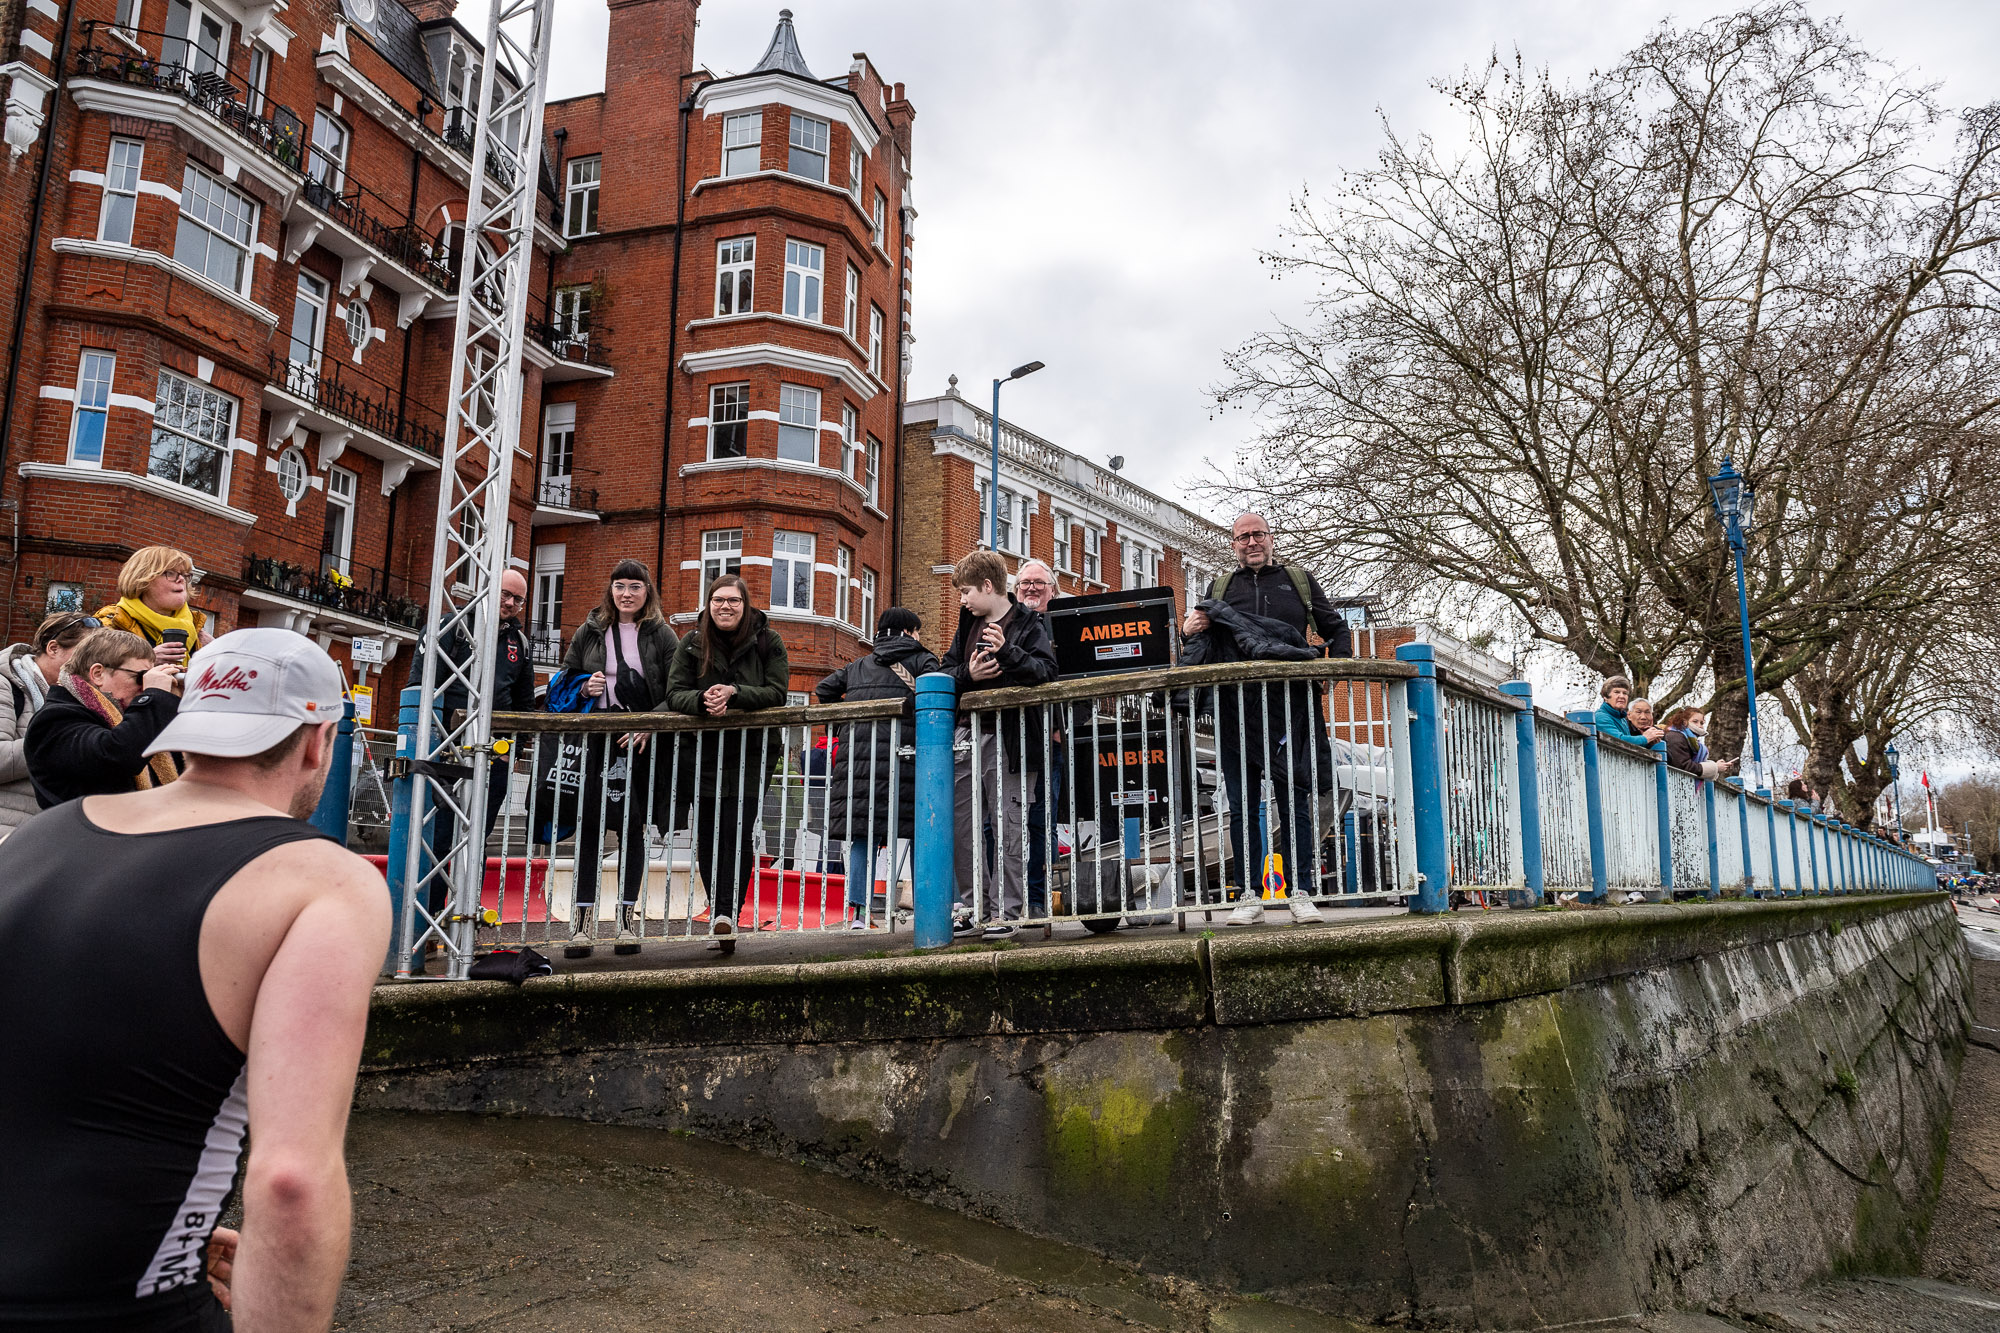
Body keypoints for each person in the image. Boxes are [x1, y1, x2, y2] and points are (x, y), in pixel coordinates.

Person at [0, 628, 388, 1330]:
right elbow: (291, 1180)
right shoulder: (321, 881)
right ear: (317, 742)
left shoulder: (36, 840)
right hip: (129, 1308)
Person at [1180, 513, 1348, 926]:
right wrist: (1187, 630)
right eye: (1243, 537)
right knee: (1241, 806)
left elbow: (1337, 630)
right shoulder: (1220, 589)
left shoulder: (1299, 582)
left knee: (1296, 802)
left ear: (1271, 539)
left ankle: (1301, 891)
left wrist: (1332, 672)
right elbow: (1202, 642)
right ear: (1233, 544)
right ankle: (1247, 896)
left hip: (1289, 709)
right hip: (1235, 710)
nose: (1251, 542)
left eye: (1258, 535)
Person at [555, 559, 679, 958]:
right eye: (620, 585)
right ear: (611, 590)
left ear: (648, 592)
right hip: (596, 739)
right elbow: (563, 681)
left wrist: (651, 724)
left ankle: (627, 921)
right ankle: (582, 923)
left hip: (640, 744)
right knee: (590, 827)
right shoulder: (589, 631)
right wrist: (583, 686)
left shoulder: (662, 635)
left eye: (635, 587)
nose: (626, 593)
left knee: (631, 830)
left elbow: (678, 690)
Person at [664, 574, 789, 955]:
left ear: (745, 604)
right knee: (707, 834)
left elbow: (778, 692)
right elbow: (674, 693)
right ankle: (720, 910)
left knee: (737, 831)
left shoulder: (769, 640)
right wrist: (703, 700)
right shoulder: (692, 642)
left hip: (753, 753)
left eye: (733, 601)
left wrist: (734, 694)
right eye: (718, 600)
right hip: (702, 753)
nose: (725, 607)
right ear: (709, 603)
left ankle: (727, 913)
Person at [941, 549, 1058, 938]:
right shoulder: (966, 621)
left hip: (1011, 738)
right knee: (963, 826)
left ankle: (1007, 911)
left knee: (1010, 827)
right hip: (966, 734)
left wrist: (1007, 651)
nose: (962, 600)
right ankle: (974, 907)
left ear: (988, 587)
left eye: (966, 592)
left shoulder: (1028, 622)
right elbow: (946, 671)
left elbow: (1045, 673)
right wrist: (968, 673)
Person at [814, 607, 941, 929]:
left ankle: (859, 913)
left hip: (858, 766)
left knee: (863, 835)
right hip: (909, 759)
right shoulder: (923, 661)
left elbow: (824, 690)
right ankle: (928, 907)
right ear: (911, 632)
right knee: (921, 831)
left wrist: (846, 720)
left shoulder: (858, 665)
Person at [25, 627, 182, 807]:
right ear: (98, 674)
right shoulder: (54, 719)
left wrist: (177, 703)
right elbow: (117, 756)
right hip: (82, 833)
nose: (144, 686)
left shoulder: (128, 717)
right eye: (141, 677)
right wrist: (154, 697)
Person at [0, 612, 101, 834]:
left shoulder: (82, 697)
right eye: (84, 655)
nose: (91, 667)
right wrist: (59, 740)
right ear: (53, 648)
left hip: (52, 831)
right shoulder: (5, 683)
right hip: (10, 832)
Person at [1011, 560, 1063, 921]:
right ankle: (1007, 897)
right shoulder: (1005, 627)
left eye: (1039, 583)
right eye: (1024, 583)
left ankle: (1038, 898)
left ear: (1053, 591)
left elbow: (1085, 680)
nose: (1031, 588)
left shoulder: (1064, 628)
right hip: (1009, 737)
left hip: (1049, 739)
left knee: (1042, 822)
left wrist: (1064, 724)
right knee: (1000, 823)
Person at [95, 545, 213, 669]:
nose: (181, 579)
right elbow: (90, 677)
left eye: (185, 575)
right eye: (171, 573)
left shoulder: (197, 630)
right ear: (142, 579)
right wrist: (147, 662)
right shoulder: (109, 624)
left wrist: (218, 654)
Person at [1661, 706, 1737, 780]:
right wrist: (1715, 767)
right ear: (1684, 722)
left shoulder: (1691, 741)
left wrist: (1716, 766)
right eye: (1695, 721)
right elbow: (1683, 766)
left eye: (1701, 723)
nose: (1699, 726)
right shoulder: (1675, 737)